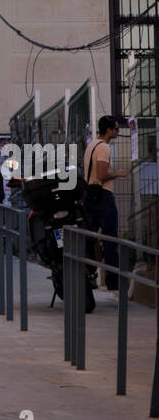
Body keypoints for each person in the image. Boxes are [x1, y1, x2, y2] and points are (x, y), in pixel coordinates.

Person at [82, 115, 127, 293]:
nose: (117, 131)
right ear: (108, 130)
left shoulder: (91, 145)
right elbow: (101, 175)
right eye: (116, 129)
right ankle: (113, 281)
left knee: (90, 238)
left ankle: (90, 274)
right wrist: (119, 173)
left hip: (90, 195)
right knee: (110, 239)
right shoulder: (104, 148)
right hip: (103, 196)